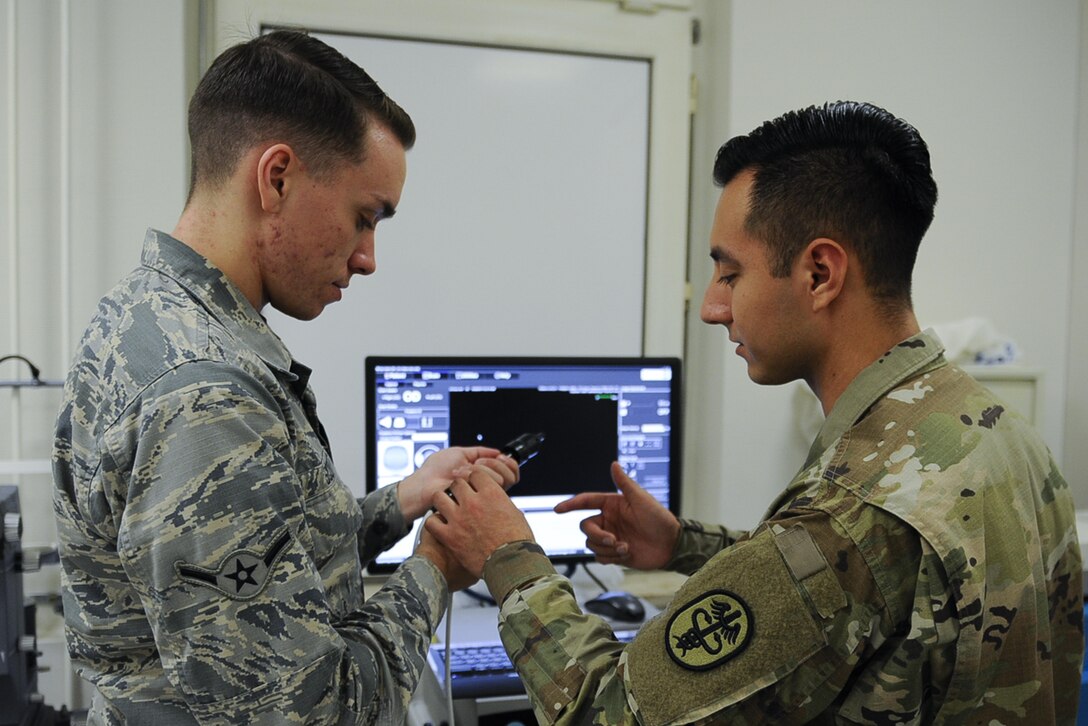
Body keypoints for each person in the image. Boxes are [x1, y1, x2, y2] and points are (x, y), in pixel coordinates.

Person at [425, 101, 1084, 723]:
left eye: (730, 273)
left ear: (820, 274)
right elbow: (863, 593)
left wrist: (508, 555)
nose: (713, 306)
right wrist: (685, 546)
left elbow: (611, 713)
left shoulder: (852, 510)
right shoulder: (993, 425)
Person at [52, 30, 512, 724]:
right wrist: (439, 565)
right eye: (365, 218)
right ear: (277, 178)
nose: (368, 258)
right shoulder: (207, 399)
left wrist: (402, 502)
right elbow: (311, 713)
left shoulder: (150, 316)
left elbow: (266, 576)